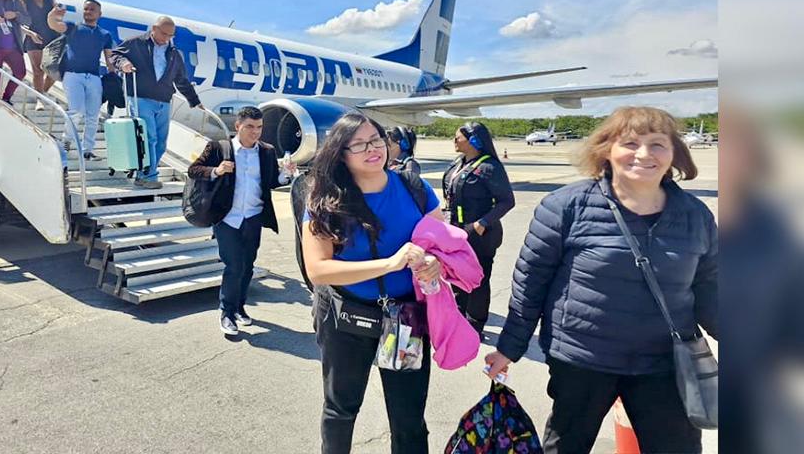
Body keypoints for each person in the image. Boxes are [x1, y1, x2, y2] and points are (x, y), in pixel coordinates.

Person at [484, 106, 718, 454]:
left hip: (664, 363)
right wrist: (510, 347)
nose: (644, 154)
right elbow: (531, 283)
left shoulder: (695, 216)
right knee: (566, 446)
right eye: (630, 143)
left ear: (674, 154)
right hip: (583, 358)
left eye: (657, 144)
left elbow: (711, 288)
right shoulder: (566, 207)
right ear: (606, 150)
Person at [301, 111, 445, 454]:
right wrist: (389, 264)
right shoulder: (325, 200)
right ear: (340, 154)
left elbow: (443, 241)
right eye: (359, 144)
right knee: (341, 409)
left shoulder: (413, 187)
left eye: (377, 140)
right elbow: (318, 269)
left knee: (409, 416)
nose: (372, 149)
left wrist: (436, 262)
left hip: (405, 319)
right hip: (346, 317)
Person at [187, 106, 297, 336]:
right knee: (234, 265)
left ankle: (239, 307)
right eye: (249, 127)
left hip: (253, 217)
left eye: (259, 127)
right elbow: (193, 170)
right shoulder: (219, 148)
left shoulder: (266, 151)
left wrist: (286, 174)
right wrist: (216, 170)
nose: (255, 132)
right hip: (227, 217)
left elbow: (270, 182)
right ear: (237, 126)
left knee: (248, 266)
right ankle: (226, 312)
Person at [440, 122, 515, 337]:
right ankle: (459, 316)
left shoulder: (490, 167)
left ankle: (475, 324)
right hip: (456, 231)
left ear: (473, 140)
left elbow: (507, 201)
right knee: (457, 275)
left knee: (478, 280)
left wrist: (482, 223)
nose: (454, 140)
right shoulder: (458, 163)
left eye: (458, 137)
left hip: (480, 234)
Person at [111, 15, 203, 189]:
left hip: (164, 100)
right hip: (141, 97)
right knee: (149, 137)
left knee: (161, 142)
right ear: (154, 29)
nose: (166, 38)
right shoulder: (136, 43)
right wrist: (123, 63)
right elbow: (115, 55)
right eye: (164, 34)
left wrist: (194, 100)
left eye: (170, 35)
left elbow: (181, 79)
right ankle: (148, 176)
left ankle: (144, 173)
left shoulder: (174, 53)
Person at [48, 0, 115, 159]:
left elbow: (109, 57)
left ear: (99, 14)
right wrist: (52, 14)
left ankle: (88, 150)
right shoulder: (73, 27)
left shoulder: (105, 34)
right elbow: (54, 25)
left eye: (92, 9)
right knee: (76, 111)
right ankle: (66, 142)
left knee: (93, 115)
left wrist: (113, 75)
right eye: (86, 9)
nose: (88, 12)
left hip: (94, 77)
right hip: (73, 75)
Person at [18, 0, 58, 94]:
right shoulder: (25, 5)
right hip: (33, 39)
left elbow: (57, 24)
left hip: (51, 39)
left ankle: (43, 93)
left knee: (54, 72)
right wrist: (31, 34)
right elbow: (18, 24)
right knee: (38, 71)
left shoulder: (51, 6)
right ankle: (39, 97)